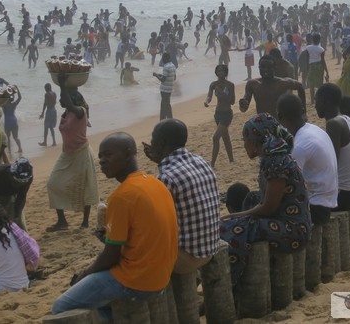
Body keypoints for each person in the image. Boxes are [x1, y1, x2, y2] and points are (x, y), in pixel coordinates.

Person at [51, 133, 178, 320]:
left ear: (128, 154)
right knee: (103, 307)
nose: (102, 161)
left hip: (137, 280)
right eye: (100, 156)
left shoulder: (121, 196)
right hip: (161, 276)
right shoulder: (154, 183)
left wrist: (83, 276)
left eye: (108, 155)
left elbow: (111, 255)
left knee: (61, 306)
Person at [220, 114, 311, 285]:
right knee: (250, 200)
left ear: (255, 142)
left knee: (229, 228)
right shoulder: (273, 158)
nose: (244, 144)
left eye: (244, 140)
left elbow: (268, 208)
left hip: (294, 231)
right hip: (287, 221)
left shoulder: (276, 162)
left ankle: (236, 280)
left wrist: (236, 216)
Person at [143, 119, 220, 273]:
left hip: (186, 257)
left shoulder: (166, 178)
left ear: (161, 142)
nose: (151, 143)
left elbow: (155, 224)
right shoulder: (202, 162)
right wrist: (160, 160)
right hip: (210, 248)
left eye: (153, 139)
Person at [46, 76, 99, 231]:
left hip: (81, 152)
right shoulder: (66, 113)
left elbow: (69, 102)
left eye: (64, 97)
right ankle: (62, 222)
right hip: (67, 154)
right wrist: (64, 87)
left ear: (72, 100)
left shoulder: (80, 112)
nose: (61, 99)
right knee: (53, 183)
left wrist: (63, 84)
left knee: (85, 187)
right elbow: (67, 104)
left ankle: (85, 222)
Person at [276, 93, 338, 225]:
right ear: (302, 111)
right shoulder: (314, 130)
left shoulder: (300, 145)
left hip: (317, 208)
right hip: (327, 201)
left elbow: (287, 184)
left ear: (280, 117)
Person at [314, 84, 350, 211]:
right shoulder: (346, 119)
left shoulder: (334, 124)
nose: (315, 106)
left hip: (343, 194)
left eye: (316, 101)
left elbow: (331, 165)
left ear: (324, 101)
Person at [239, 55, 306, 118]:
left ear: (275, 68)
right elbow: (243, 109)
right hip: (263, 123)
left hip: (279, 123)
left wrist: (303, 112)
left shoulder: (282, 83)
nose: (266, 69)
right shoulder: (253, 84)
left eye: (269, 67)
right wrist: (243, 104)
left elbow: (300, 86)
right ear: (259, 68)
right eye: (263, 67)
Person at [204, 64, 236, 165]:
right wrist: (206, 101)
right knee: (225, 137)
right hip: (218, 114)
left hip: (227, 114)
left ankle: (212, 162)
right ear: (216, 73)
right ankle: (231, 159)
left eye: (222, 71)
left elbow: (232, 101)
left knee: (215, 137)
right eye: (218, 71)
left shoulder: (230, 85)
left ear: (226, 73)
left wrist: (222, 93)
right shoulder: (213, 84)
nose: (220, 73)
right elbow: (209, 96)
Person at [305, 33, 329, 102]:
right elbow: (323, 61)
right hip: (319, 66)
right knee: (319, 83)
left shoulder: (308, 48)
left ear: (312, 39)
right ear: (319, 40)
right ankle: (319, 98)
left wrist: (307, 69)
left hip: (311, 66)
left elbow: (307, 59)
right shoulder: (321, 49)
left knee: (311, 84)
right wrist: (326, 71)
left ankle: (312, 100)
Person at [154, 52, 176, 120]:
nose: (162, 59)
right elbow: (174, 77)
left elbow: (163, 80)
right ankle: (170, 119)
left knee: (163, 105)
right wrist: (160, 75)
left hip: (164, 89)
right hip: (170, 88)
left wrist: (156, 75)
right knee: (167, 104)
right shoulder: (173, 65)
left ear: (166, 58)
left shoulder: (166, 67)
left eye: (163, 58)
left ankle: (162, 120)